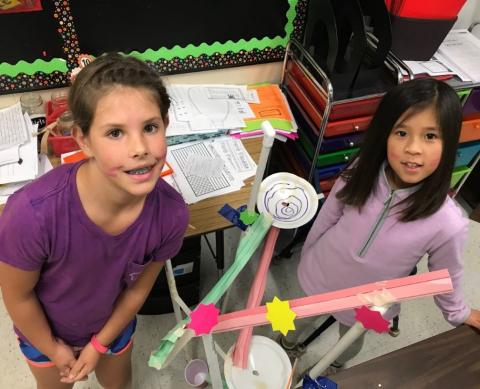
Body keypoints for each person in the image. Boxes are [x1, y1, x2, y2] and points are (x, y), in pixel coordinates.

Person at [0, 53, 189, 388]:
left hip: (111, 329)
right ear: (84, 140)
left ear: (165, 125)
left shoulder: (171, 213)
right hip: (44, 336)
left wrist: (101, 343)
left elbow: (138, 288)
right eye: (115, 133)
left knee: (119, 384)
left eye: (150, 127)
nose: (140, 148)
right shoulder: (30, 214)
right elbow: (18, 297)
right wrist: (55, 350)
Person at [286, 78, 480, 370]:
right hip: (321, 275)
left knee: (348, 345)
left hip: (370, 303)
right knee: (294, 320)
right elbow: (329, 214)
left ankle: (334, 365)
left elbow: (445, 276)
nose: (413, 148)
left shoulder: (448, 222)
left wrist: (459, 313)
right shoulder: (363, 166)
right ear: (385, 134)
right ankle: (286, 346)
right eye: (402, 132)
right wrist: (309, 253)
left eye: (430, 136)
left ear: (449, 142)